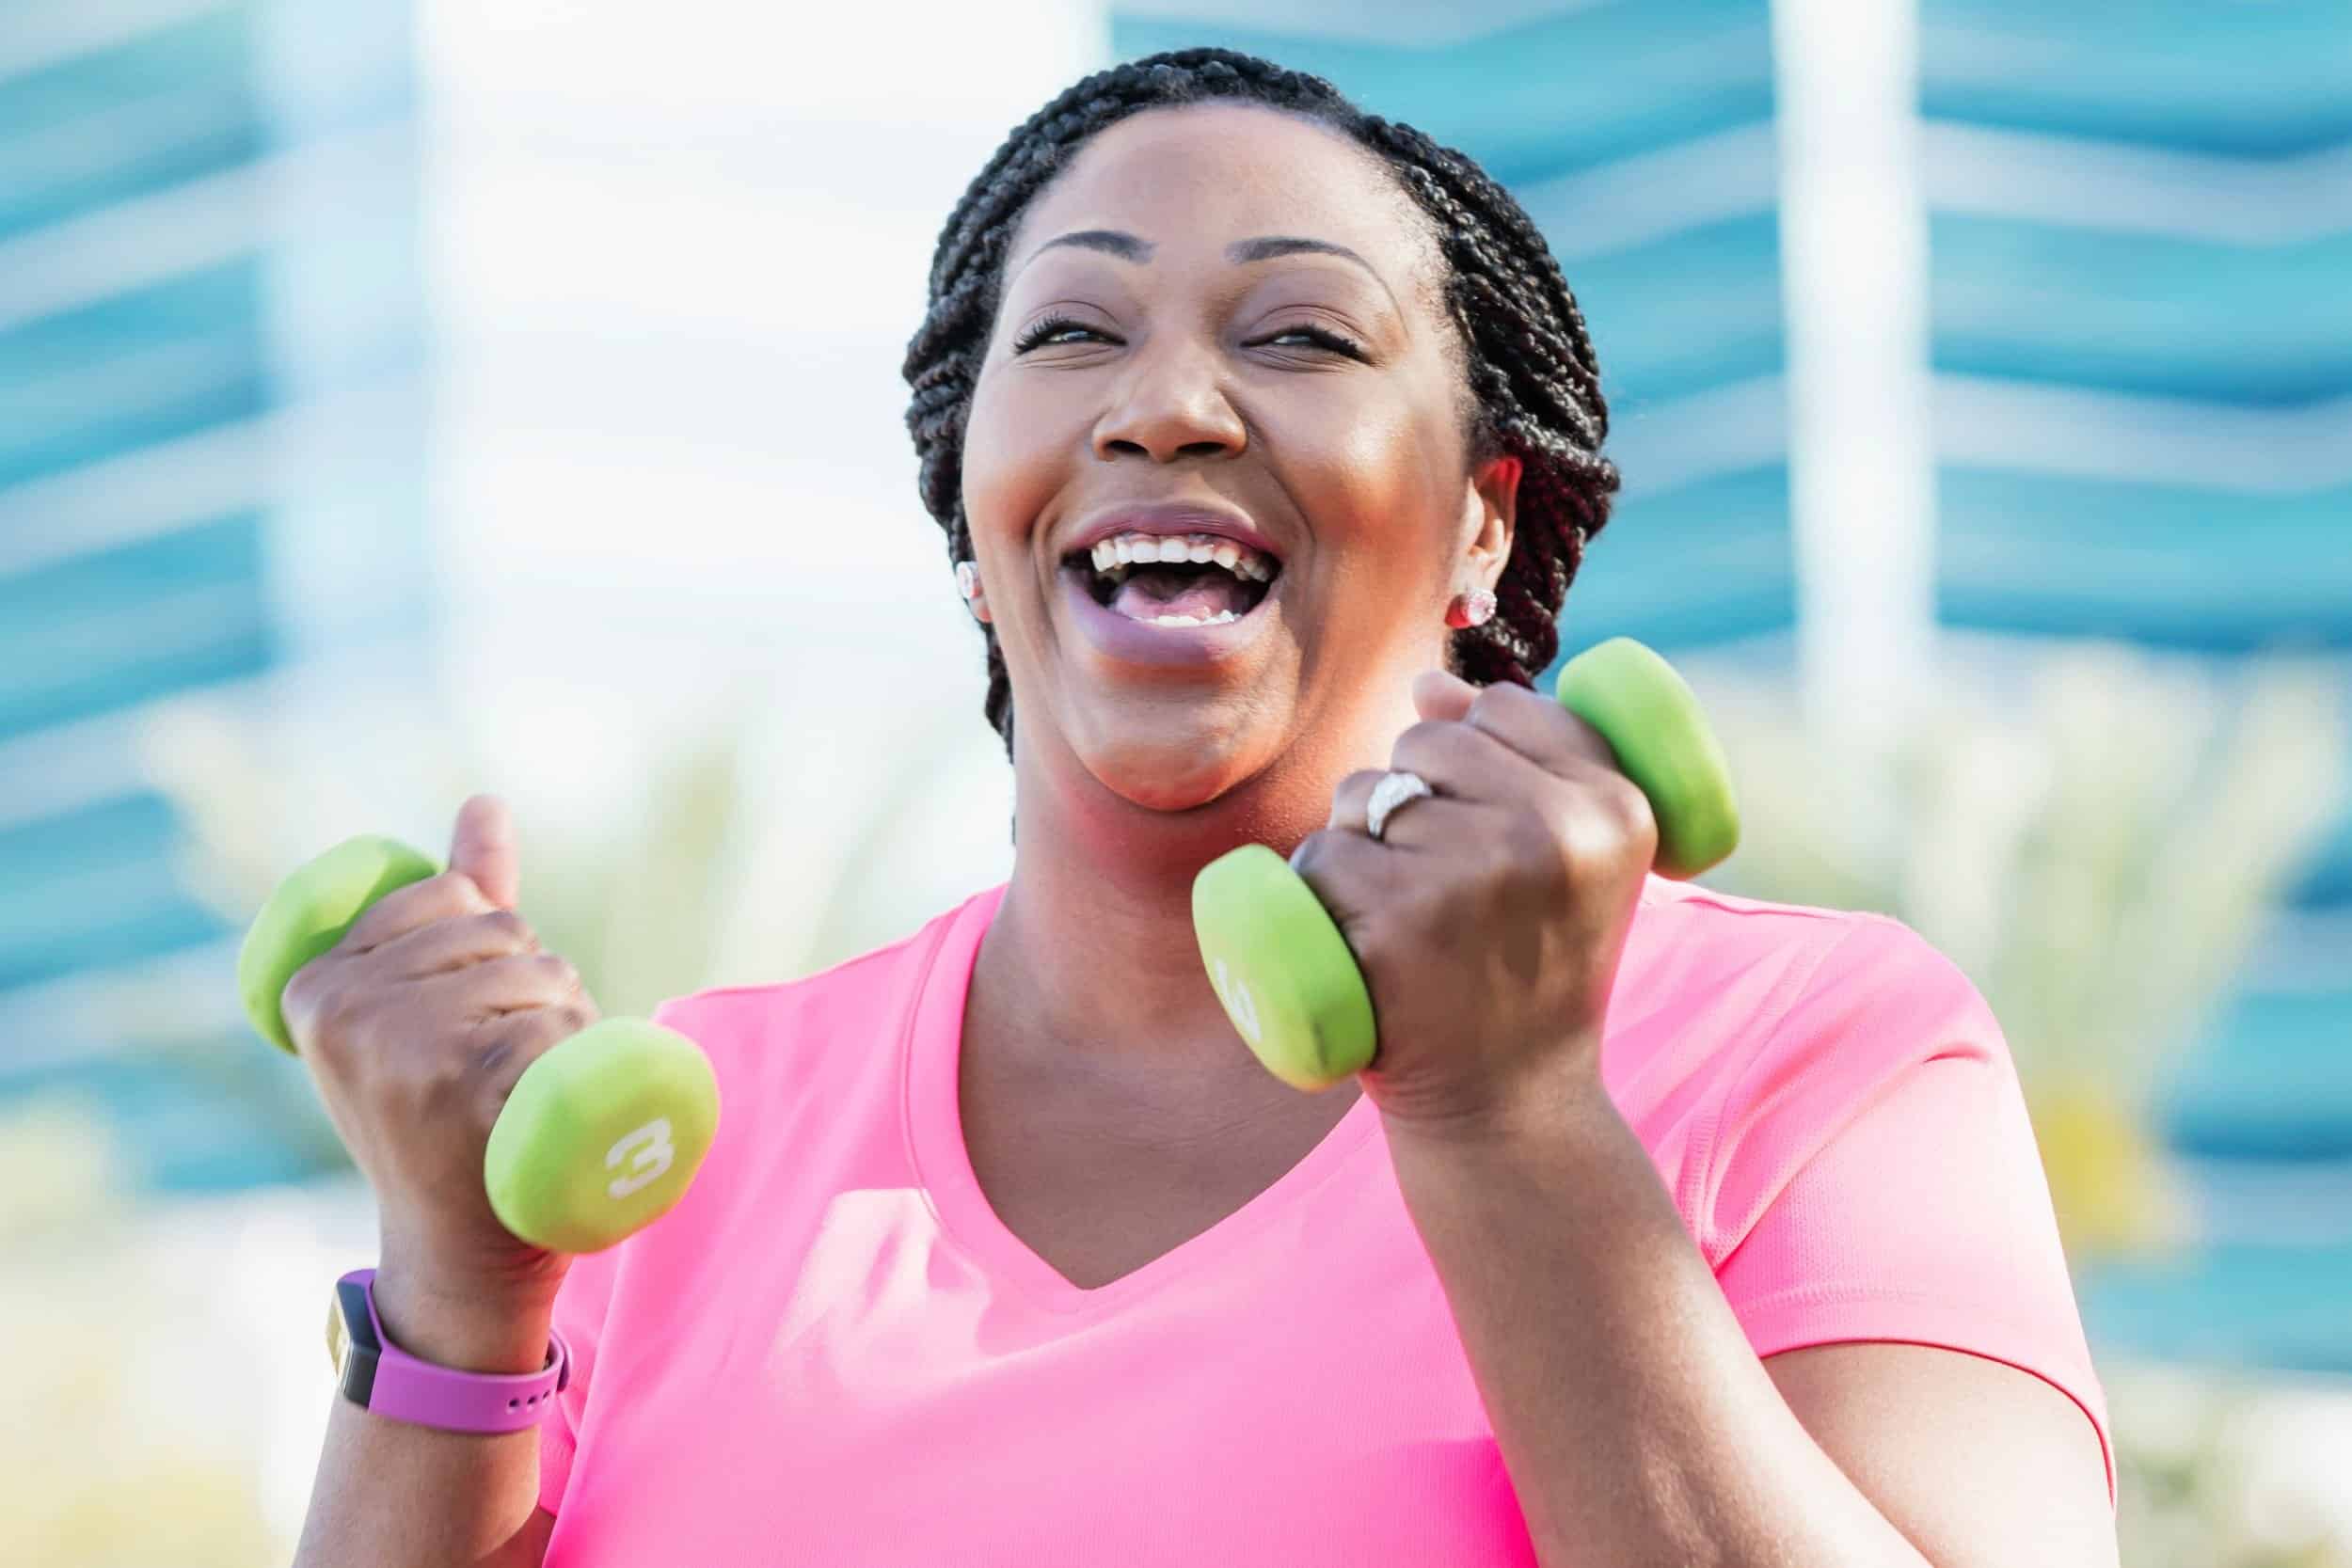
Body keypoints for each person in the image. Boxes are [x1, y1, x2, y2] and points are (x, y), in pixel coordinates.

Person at [290, 46, 2119, 1568]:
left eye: (1303, 338)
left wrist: (1507, 1118)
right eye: (1073, 331)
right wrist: (458, 1298)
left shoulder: (1807, 1053)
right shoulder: (681, 1155)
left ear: (1484, 518)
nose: (1163, 403)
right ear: (972, 505)